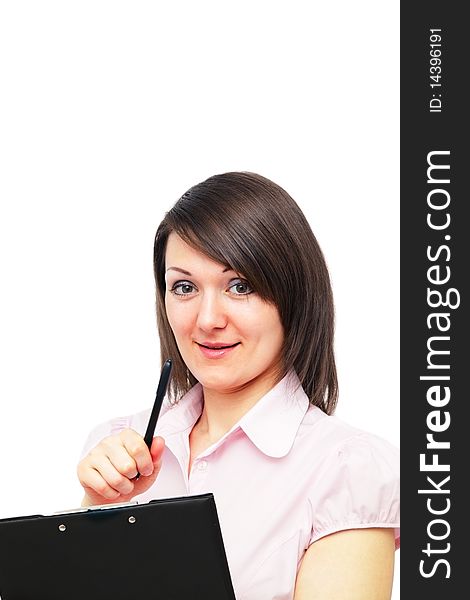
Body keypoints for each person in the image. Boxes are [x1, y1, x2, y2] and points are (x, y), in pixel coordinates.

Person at [77, 172, 400, 599]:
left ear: (293, 295)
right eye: (185, 287)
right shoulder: (118, 447)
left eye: (240, 285)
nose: (208, 319)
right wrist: (95, 517)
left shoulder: (347, 470)